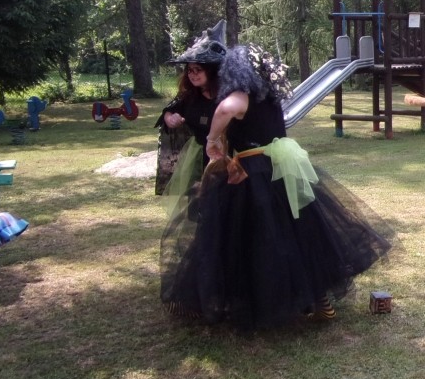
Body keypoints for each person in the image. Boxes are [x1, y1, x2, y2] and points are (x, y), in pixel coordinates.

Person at [160, 28, 390, 330]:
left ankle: (237, 300)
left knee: (249, 238)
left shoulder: (240, 95)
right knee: (296, 234)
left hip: (254, 172)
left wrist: (212, 139)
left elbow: (226, 109)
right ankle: (318, 299)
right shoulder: (267, 96)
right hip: (280, 168)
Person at [154, 21, 222, 199]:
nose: (192, 74)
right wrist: (170, 118)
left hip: (225, 158)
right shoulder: (189, 95)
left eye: (198, 69)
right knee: (197, 206)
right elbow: (169, 110)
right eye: (190, 70)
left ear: (212, 71)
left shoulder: (229, 95)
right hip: (197, 161)